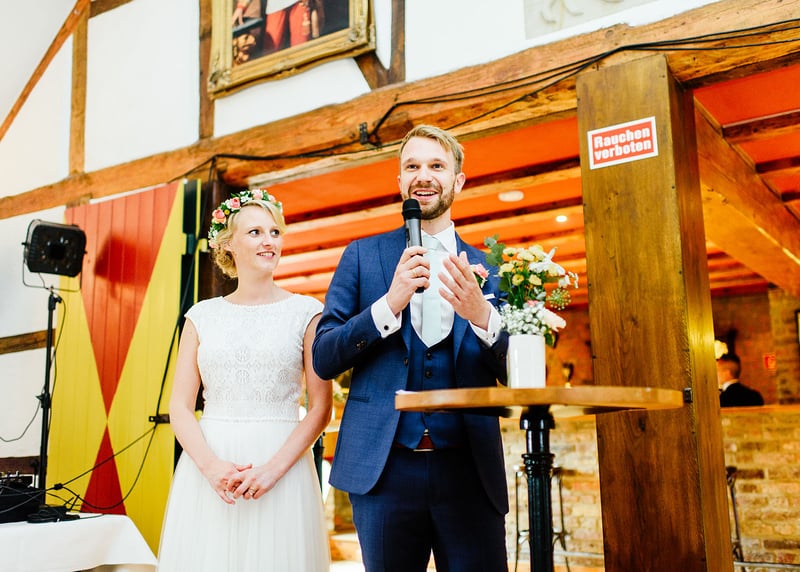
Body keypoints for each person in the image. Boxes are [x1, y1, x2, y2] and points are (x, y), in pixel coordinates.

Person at [313, 124, 510, 571]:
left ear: (458, 180)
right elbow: (323, 358)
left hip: (470, 471)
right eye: (412, 166)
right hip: (384, 473)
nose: (424, 175)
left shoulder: (491, 266)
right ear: (400, 180)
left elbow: (519, 372)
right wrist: (387, 305)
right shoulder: (361, 256)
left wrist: (483, 316)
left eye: (437, 166)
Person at [157, 190, 331, 571]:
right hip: (210, 466)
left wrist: (272, 471)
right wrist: (211, 467)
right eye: (255, 232)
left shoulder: (307, 313)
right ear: (228, 244)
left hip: (281, 467)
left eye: (274, 232)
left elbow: (320, 408)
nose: (269, 241)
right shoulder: (201, 316)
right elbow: (180, 407)